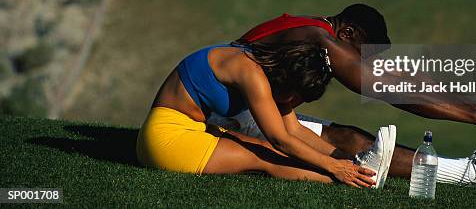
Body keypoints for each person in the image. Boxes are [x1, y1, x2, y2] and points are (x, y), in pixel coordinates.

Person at [206, 4, 476, 192]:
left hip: (244, 107)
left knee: (352, 139)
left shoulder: (316, 30)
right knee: (355, 143)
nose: (364, 62)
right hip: (234, 113)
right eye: (363, 54)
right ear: (347, 35)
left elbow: (400, 76)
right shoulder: (322, 38)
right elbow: (387, 89)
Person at [136, 40, 385, 188]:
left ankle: (357, 172)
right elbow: (280, 140)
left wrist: (346, 159)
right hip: (167, 141)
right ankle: (354, 183)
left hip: (186, 130)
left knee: (260, 146)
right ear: (290, 80)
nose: (296, 103)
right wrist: (336, 169)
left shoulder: (265, 67)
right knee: (266, 156)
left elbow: (295, 129)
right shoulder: (250, 74)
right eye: (299, 96)